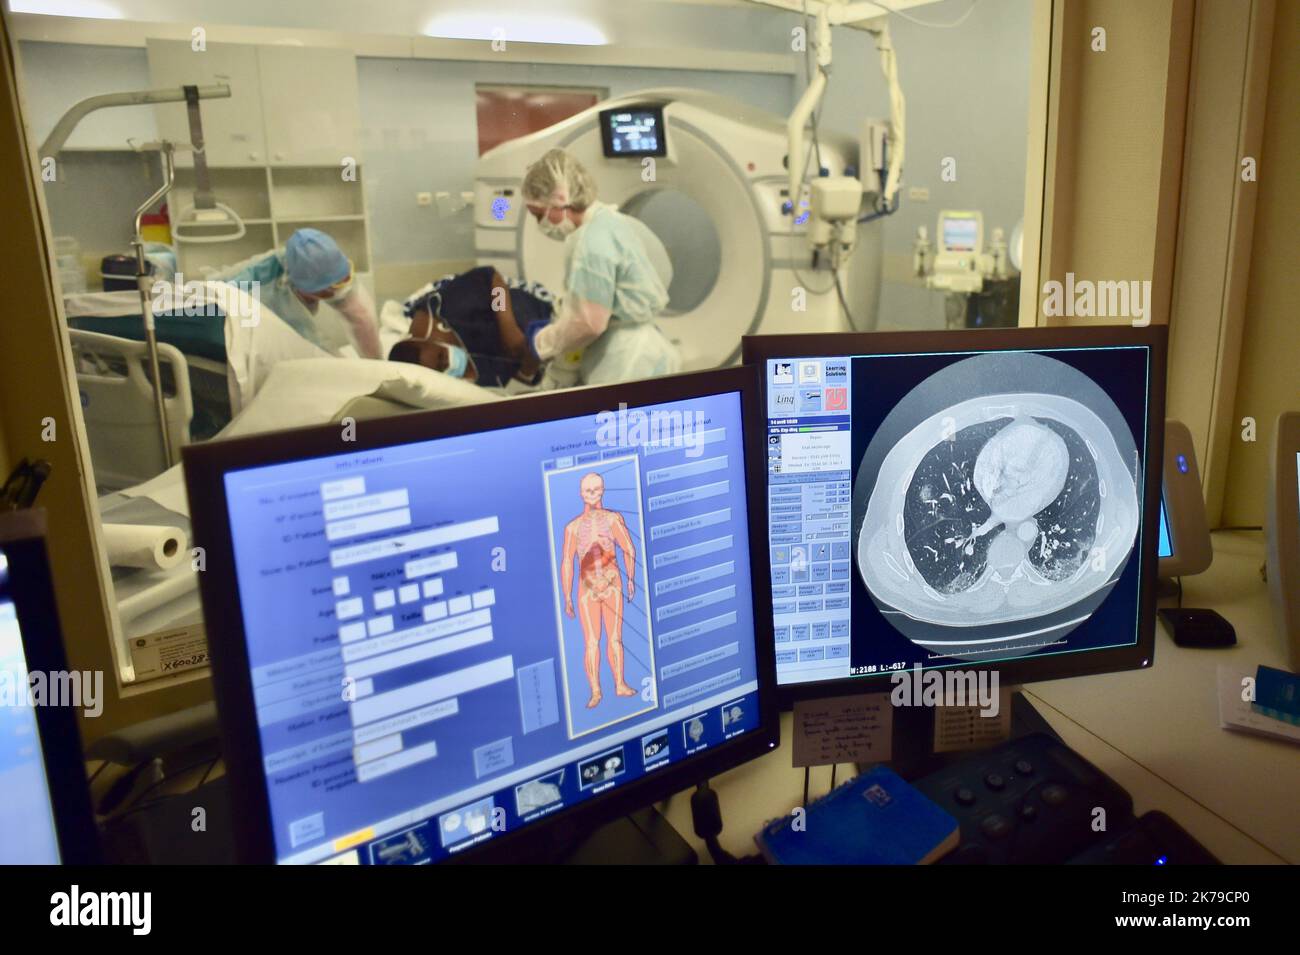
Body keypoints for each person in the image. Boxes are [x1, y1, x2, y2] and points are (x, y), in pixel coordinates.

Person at [520, 148, 680, 386]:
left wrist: (540, 344)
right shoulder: (613, 222)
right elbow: (661, 272)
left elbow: (588, 323)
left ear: (559, 201)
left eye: (539, 215)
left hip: (626, 361)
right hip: (649, 348)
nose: (539, 224)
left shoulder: (590, 242)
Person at [210, 228, 382, 359]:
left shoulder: (318, 262)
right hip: (221, 330)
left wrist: (378, 366)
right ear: (300, 287)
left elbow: (361, 317)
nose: (339, 293)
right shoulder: (272, 291)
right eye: (325, 292)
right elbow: (314, 349)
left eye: (343, 281)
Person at [392, 266, 549, 388]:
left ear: (424, 340)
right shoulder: (461, 378)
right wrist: (528, 364)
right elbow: (517, 377)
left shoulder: (448, 309)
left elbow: (495, 281)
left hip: (523, 309)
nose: (450, 364)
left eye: (441, 356)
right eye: (441, 370)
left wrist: (507, 325)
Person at [560, 472, 638, 709]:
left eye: (596, 490)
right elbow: (567, 561)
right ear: (581, 494)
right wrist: (567, 596)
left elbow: (629, 549)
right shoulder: (573, 528)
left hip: (612, 582)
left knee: (615, 638)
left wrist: (631, 578)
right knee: (591, 642)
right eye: (588, 491)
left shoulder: (613, 519)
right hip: (587, 588)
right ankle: (595, 690)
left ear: (602, 490)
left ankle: (619, 684)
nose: (592, 495)